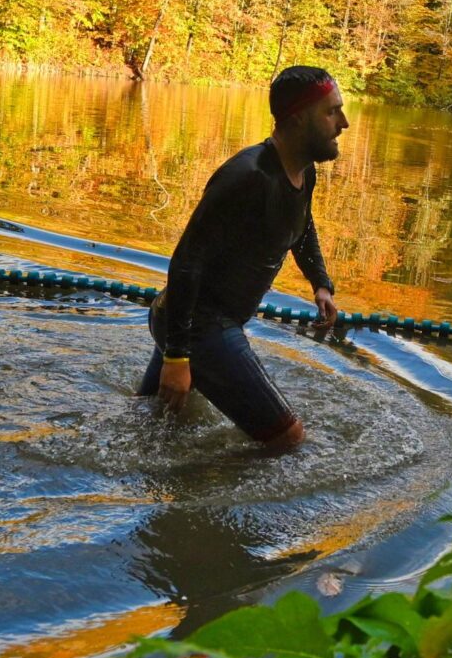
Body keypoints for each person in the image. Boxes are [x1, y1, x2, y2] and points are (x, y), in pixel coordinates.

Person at [137, 65, 349, 450]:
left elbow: (302, 227)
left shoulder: (304, 174)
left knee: (152, 424)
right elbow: (187, 261)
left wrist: (320, 284)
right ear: (299, 118)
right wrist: (178, 357)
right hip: (199, 327)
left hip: (184, 321)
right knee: (288, 440)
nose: (344, 122)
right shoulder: (247, 177)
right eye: (332, 111)